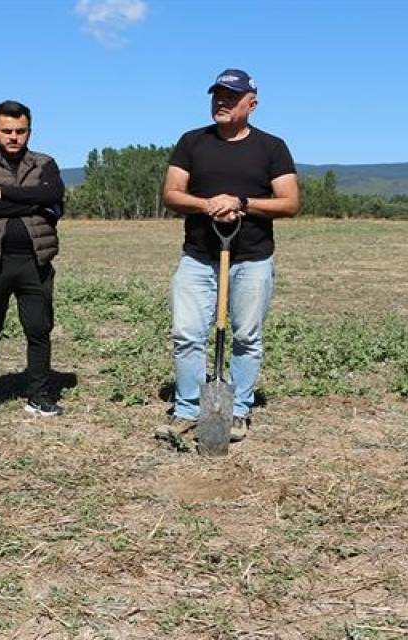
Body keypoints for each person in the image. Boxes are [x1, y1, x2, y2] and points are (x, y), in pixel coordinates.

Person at [155, 68, 300, 443]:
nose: (221, 102)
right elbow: (171, 194)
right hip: (199, 256)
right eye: (217, 95)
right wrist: (208, 205)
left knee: (247, 336)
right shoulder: (192, 142)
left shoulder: (272, 147)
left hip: (251, 258)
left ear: (251, 103)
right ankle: (187, 409)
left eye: (231, 97)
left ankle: (238, 411)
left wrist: (242, 203)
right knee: (186, 332)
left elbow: (290, 202)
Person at [0, 100, 66, 416]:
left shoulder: (45, 163)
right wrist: (34, 203)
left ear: (29, 131)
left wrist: (4, 193)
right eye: (6, 130)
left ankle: (38, 393)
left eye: (20, 131)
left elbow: (53, 196)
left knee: (38, 328)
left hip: (35, 261)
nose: (13, 137)